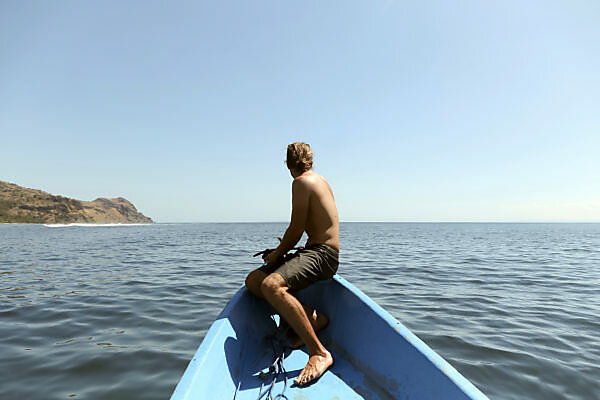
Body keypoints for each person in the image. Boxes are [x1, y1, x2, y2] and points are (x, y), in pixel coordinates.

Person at [245, 142, 340, 386]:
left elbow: (296, 229)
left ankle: (319, 353)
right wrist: (279, 252)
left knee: (271, 285)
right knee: (253, 281)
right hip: (316, 250)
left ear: (288, 165)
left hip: (323, 254)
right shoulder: (320, 180)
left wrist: (277, 255)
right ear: (311, 159)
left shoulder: (301, 182)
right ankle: (312, 319)